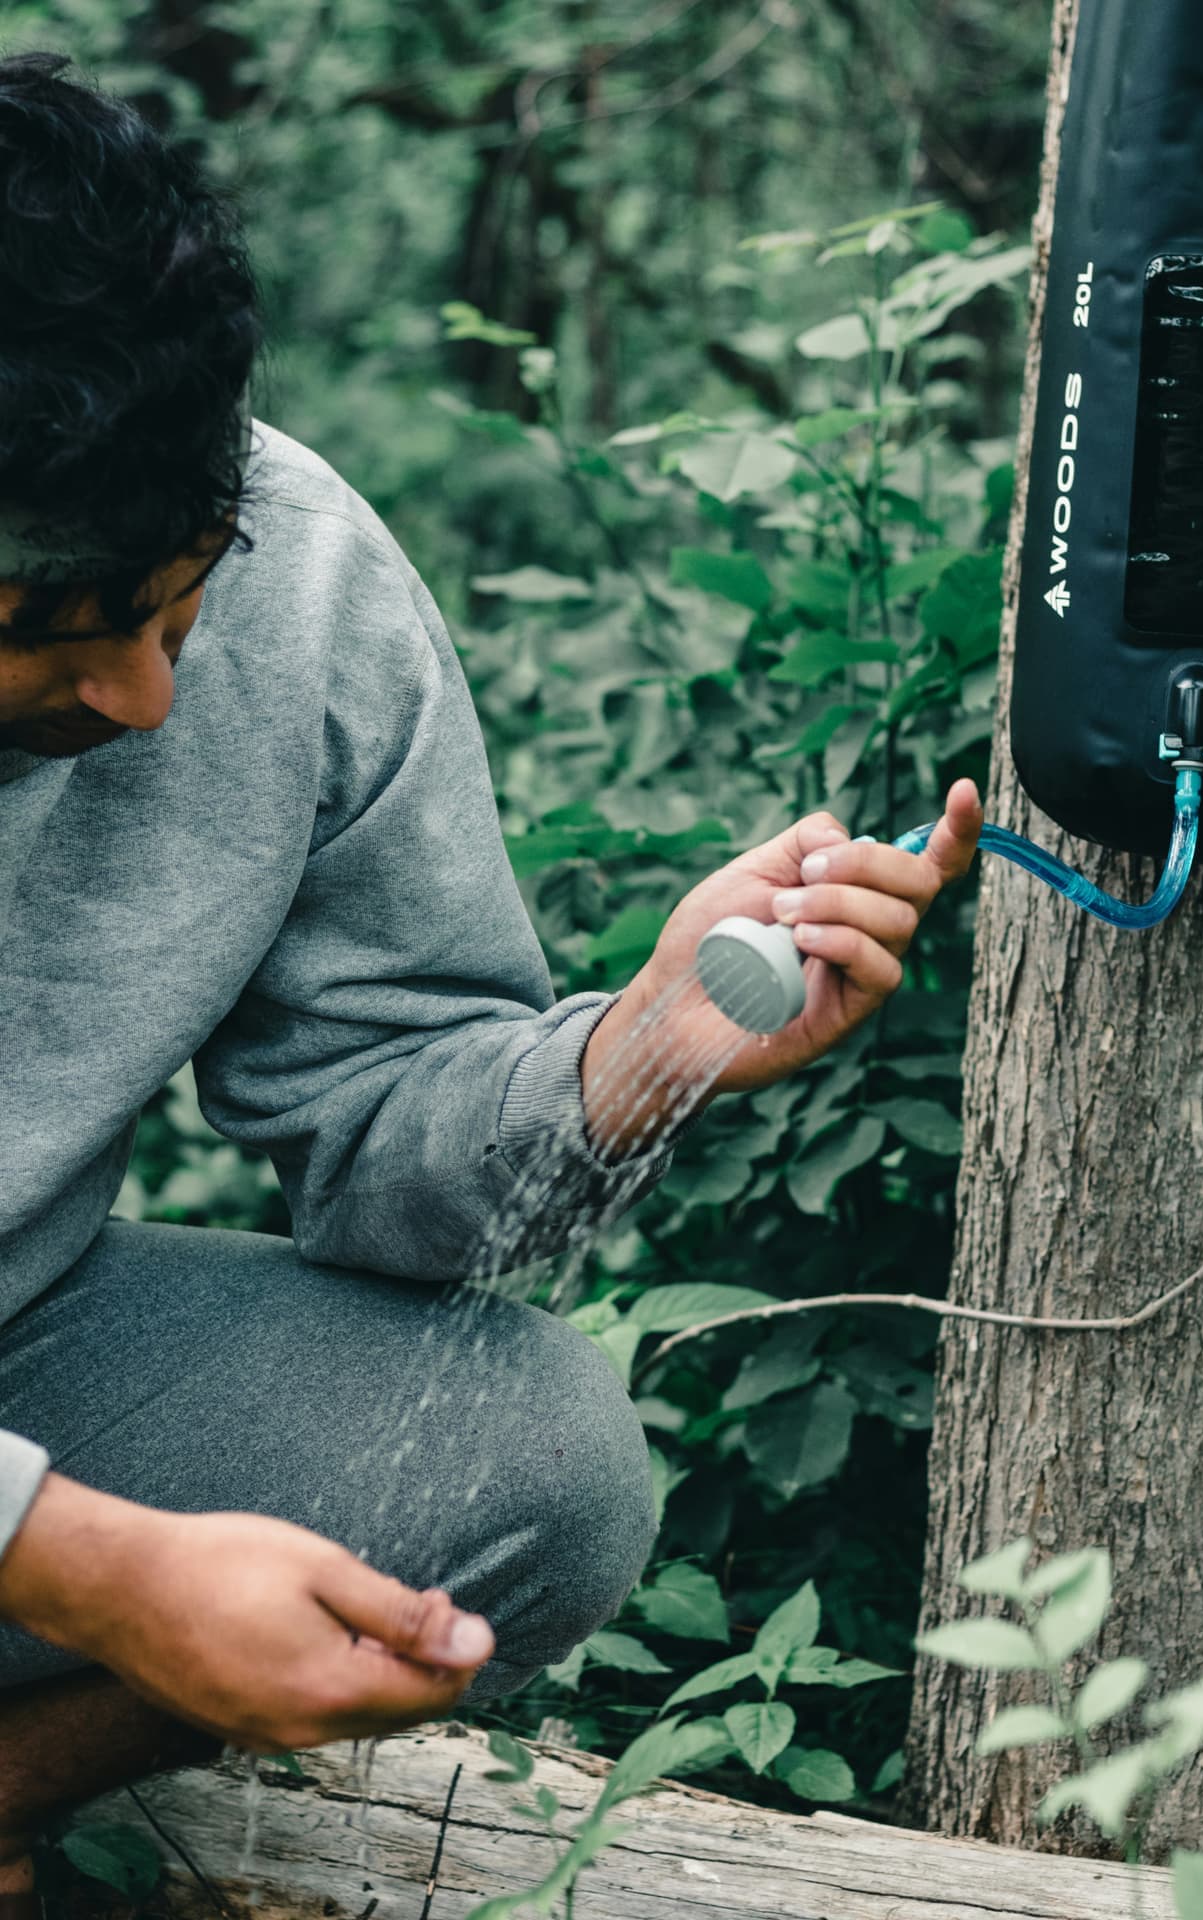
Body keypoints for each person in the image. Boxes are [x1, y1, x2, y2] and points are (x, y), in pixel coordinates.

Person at [0, 49, 983, 1910]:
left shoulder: (298, 570)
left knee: (534, 1462)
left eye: (180, 600)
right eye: (52, 628)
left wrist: (628, 1055)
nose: (143, 697)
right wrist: (81, 1562)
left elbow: (379, 1122)